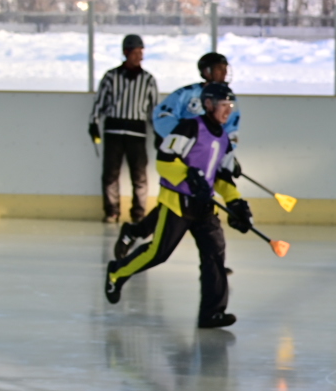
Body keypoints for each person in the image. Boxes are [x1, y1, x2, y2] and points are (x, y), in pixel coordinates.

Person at [104, 82, 252, 328]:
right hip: (178, 204)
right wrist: (188, 178)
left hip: (205, 209)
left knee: (215, 256)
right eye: (223, 105)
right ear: (208, 105)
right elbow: (165, 160)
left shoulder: (224, 139)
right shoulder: (190, 127)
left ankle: (212, 313)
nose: (228, 111)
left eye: (230, 106)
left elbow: (223, 179)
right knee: (157, 254)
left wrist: (236, 203)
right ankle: (116, 273)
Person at [89, 34, 159, 224]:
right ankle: (112, 211)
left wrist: (159, 131)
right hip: (114, 131)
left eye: (141, 52)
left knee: (140, 175)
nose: (139, 57)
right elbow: (100, 102)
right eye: (135, 52)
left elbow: (153, 109)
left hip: (137, 133)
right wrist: (94, 122)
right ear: (126, 53)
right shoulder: (111, 76)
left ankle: (138, 213)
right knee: (110, 174)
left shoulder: (148, 80)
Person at [154, 52, 242, 145]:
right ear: (207, 71)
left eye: (225, 68)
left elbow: (231, 128)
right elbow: (163, 116)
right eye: (219, 68)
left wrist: (226, 149)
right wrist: (182, 139)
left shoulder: (229, 97)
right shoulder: (186, 93)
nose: (224, 72)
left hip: (211, 150)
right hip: (181, 149)